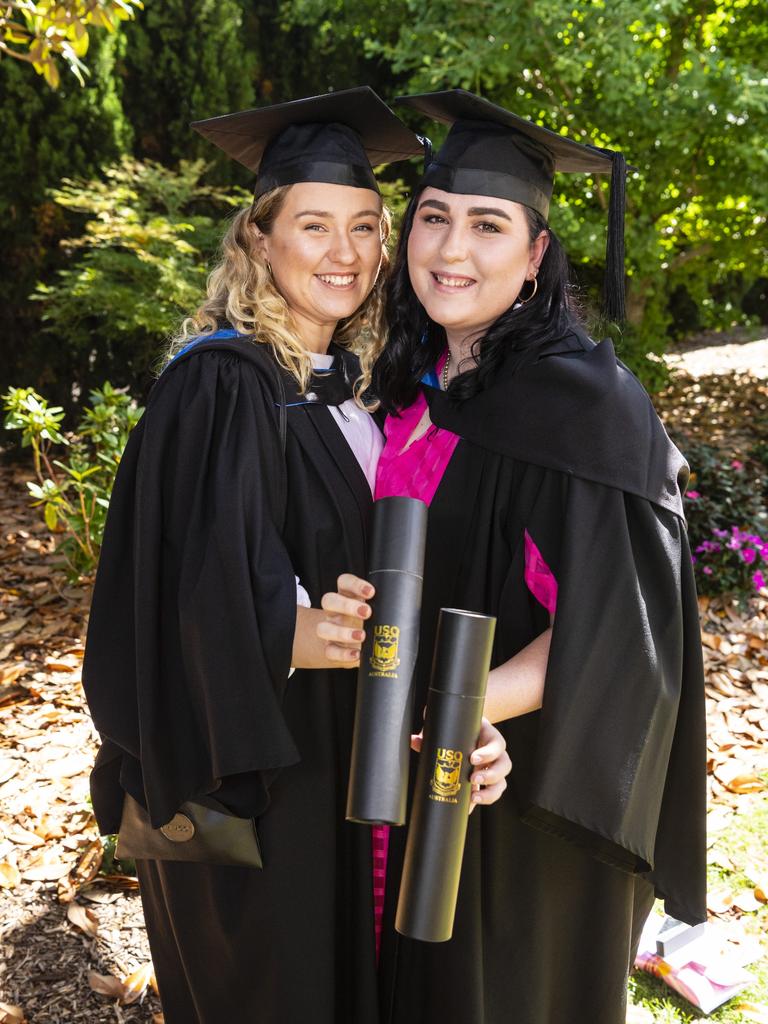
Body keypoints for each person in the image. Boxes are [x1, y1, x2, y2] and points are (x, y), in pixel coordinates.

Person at [81, 87, 512, 1024]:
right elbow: (185, 572)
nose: (346, 253)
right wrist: (287, 626)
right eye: (314, 226)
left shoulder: (346, 391)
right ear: (257, 241)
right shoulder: (223, 381)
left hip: (338, 756)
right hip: (254, 770)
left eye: (365, 227)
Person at [364, 89, 705, 1024]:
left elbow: (614, 631)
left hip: (511, 788)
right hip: (400, 768)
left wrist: (448, 710)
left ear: (537, 251)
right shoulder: (413, 384)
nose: (451, 250)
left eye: (487, 223)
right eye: (433, 218)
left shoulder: (586, 408)